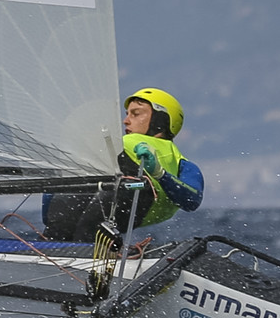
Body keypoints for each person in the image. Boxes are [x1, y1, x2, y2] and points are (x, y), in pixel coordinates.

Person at [42, 87, 204, 243]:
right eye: (127, 114)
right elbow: (48, 211)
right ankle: (49, 247)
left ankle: (78, 247)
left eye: (136, 114)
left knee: (85, 232)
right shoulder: (112, 144)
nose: (125, 121)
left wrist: (159, 173)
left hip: (134, 194)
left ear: (160, 121)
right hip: (94, 199)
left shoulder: (181, 163)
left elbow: (192, 200)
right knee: (58, 229)